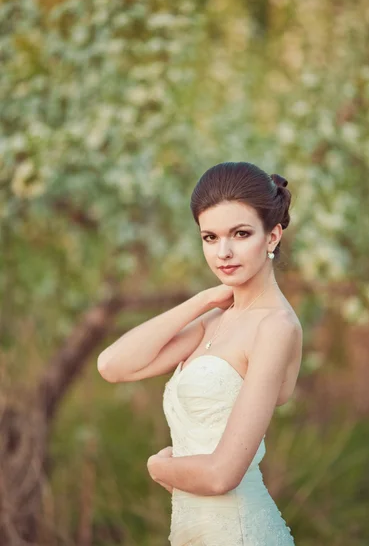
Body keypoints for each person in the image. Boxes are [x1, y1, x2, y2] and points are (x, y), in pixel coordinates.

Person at [98, 161, 303, 545]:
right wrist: (203, 299)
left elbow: (221, 475)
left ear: (272, 236)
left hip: (239, 532)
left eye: (240, 234)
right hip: (191, 530)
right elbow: (113, 365)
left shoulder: (275, 327)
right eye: (210, 237)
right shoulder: (214, 318)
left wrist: (160, 468)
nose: (223, 252)